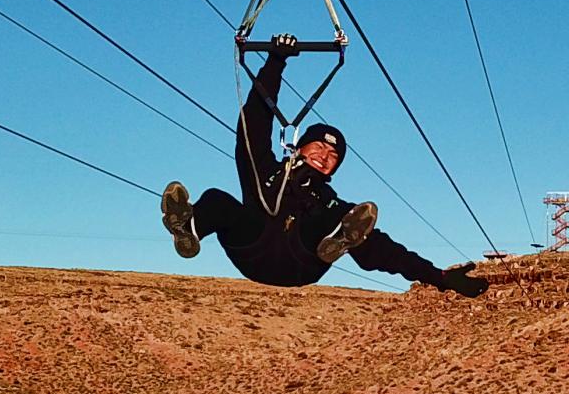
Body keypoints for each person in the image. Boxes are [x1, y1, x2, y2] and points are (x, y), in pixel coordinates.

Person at [162, 34, 487, 296]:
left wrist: (439, 277)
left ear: (333, 169)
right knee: (218, 199)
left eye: (333, 157)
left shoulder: (329, 203)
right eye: (317, 147)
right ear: (298, 147)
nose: (324, 156)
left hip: (300, 263)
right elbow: (255, 124)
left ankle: (334, 241)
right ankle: (188, 228)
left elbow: (385, 250)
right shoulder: (266, 171)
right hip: (253, 249)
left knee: (342, 219)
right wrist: (275, 62)